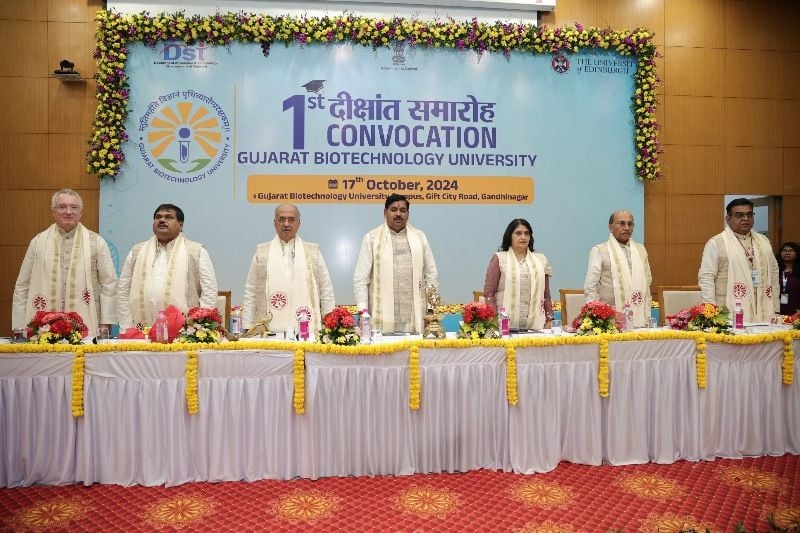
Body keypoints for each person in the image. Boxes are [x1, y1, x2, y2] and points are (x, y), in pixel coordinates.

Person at [12, 189, 117, 338]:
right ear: (53, 212)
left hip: (86, 321)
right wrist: (18, 326)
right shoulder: (38, 242)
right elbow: (22, 285)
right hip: (43, 327)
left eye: (74, 207)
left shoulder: (96, 242)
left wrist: (106, 323)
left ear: (81, 212)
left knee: (82, 361)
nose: (68, 212)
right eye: (62, 207)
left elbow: (109, 284)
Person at [117, 204, 218, 330]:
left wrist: (200, 327)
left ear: (181, 225)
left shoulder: (196, 252)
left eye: (168, 217)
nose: (162, 220)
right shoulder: (137, 251)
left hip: (186, 332)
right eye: (158, 217)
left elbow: (209, 292)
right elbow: (123, 291)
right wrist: (127, 327)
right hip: (141, 330)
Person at [242, 204, 335, 337]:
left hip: (306, 332)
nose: (286, 224)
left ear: (298, 223)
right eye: (281, 219)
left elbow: (326, 291)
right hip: (268, 333)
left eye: (291, 220)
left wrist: (330, 325)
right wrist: (247, 326)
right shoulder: (261, 253)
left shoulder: (313, 253)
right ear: (274, 223)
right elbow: (251, 291)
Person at [353, 193, 438, 334]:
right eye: (393, 210)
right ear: (385, 213)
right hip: (381, 319)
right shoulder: (372, 239)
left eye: (403, 210)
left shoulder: (420, 238)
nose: (398, 214)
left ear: (408, 214)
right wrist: (363, 312)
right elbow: (361, 279)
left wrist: (431, 310)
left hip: (414, 317)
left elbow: (431, 275)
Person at [698, 198, 779, 322]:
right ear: (728, 218)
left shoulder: (764, 241)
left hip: (764, 310)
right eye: (739, 215)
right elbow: (706, 277)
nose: (745, 219)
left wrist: (775, 307)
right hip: (727, 312)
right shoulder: (717, 243)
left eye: (749, 214)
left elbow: (773, 273)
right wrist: (710, 310)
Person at [583, 209, 653, 328]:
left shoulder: (640, 250)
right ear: (610, 227)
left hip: (640, 317)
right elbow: (590, 288)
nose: (626, 227)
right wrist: (596, 317)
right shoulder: (600, 250)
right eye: (621, 223)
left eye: (630, 224)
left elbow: (647, 282)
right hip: (610, 319)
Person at [483, 219, 553, 330]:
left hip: (537, 325)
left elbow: (546, 293)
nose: (523, 237)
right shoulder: (499, 258)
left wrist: (549, 319)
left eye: (527, 233)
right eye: (518, 233)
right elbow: (489, 293)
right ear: (510, 236)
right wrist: (493, 320)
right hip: (503, 325)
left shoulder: (541, 260)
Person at [776, 241, 800, 316]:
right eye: (784, 251)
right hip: (776, 312)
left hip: (796, 313)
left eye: (790, 251)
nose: (787, 253)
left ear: (797, 253)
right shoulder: (775, 271)